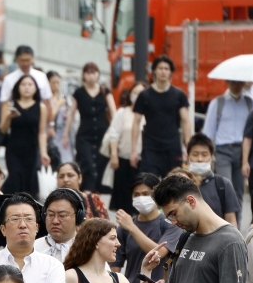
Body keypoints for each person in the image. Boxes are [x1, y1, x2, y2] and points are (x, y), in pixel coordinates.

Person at [132, 56, 192, 178]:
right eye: (160, 68)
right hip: (150, 147)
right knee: (148, 182)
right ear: (154, 70)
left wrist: (188, 147)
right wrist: (133, 150)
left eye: (166, 68)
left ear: (170, 72)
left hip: (172, 147)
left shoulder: (179, 95)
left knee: (172, 184)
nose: (163, 71)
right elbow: (136, 122)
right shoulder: (144, 95)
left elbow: (186, 121)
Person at [63, 63, 115, 192]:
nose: (91, 76)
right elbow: (71, 114)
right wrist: (65, 135)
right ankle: (87, 193)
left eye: (94, 72)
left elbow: (114, 113)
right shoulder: (79, 92)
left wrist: (115, 135)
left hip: (103, 134)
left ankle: (96, 199)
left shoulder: (105, 91)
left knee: (100, 166)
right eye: (88, 73)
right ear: (84, 75)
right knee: (88, 165)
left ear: (98, 74)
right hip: (84, 134)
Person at [203, 81, 253, 197]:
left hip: (243, 151)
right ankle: (224, 214)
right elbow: (208, 130)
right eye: (233, 83)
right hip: (223, 150)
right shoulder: (218, 103)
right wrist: (207, 152)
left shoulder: (249, 103)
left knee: (239, 188)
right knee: (225, 185)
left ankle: (237, 215)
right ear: (227, 83)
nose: (236, 86)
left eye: (239, 83)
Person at [0, 74, 49, 196]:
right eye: (23, 84)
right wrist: (8, 117)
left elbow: (42, 132)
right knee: (15, 177)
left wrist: (43, 152)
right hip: (14, 149)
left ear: (36, 88)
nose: (27, 87)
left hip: (32, 150)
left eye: (30, 84)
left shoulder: (41, 107)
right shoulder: (10, 105)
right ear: (17, 87)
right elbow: (3, 129)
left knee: (29, 182)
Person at [182, 133, 239, 226]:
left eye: (204, 155)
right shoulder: (180, 184)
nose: (200, 159)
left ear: (212, 156)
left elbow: (231, 221)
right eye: (195, 154)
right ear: (188, 156)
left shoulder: (223, 185)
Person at [106, 83, 146, 211]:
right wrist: (113, 155)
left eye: (141, 93)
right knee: (123, 201)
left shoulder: (149, 115)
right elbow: (114, 134)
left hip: (143, 161)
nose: (137, 96)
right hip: (123, 160)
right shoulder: (122, 113)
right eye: (135, 92)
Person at [47, 71, 73, 165]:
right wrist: (58, 105)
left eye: (58, 82)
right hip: (50, 133)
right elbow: (48, 116)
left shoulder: (64, 98)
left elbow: (69, 116)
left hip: (62, 134)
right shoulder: (46, 99)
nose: (56, 85)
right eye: (53, 82)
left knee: (66, 161)